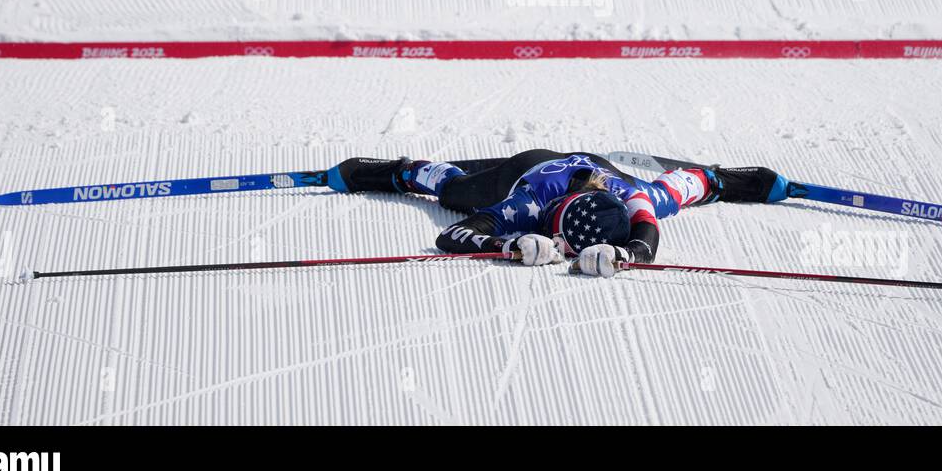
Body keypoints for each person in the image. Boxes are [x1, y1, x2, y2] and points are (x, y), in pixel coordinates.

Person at [326, 150, 780, 277]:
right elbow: (453, 235)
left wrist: (630, 256)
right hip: (528, 167)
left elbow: (690, 183)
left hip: (601, 170)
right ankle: (401, 172)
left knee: (674, 195)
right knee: (458, 191)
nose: (559, 249)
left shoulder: (637, 197)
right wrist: (507, 242)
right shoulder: (532, 202)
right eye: (559, 239)